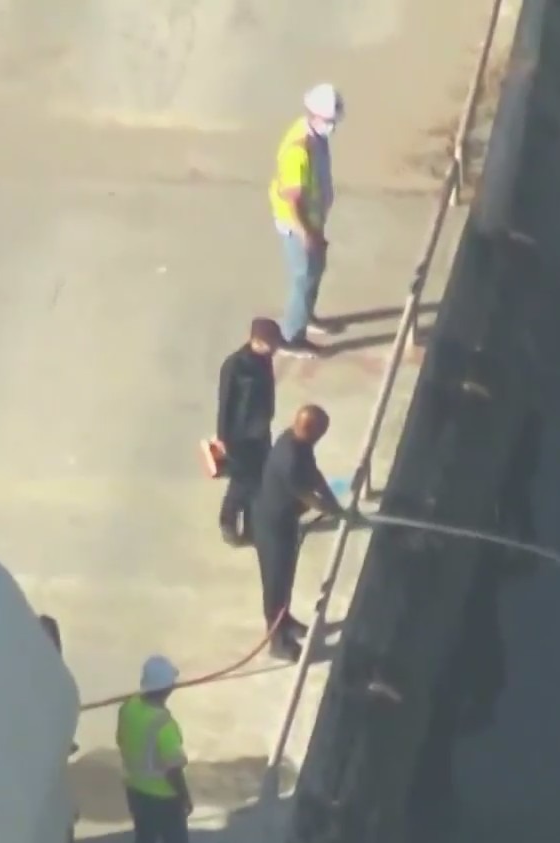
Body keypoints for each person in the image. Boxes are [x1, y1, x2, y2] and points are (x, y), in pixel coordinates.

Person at [252, 404, 351, 661]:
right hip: (272, 526)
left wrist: (336, 504)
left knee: (286, 577)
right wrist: (332, 510)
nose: (323, 436)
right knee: (275, 582)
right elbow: (307, 495)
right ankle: (277, 640)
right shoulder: (289, 459)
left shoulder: (297, 442)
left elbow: (315, 476)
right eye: (321, 431)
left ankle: (286, 621)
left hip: (286, 522)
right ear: (309, 429)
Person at [269, 83, 344, 356]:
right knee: (304, 276)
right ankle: (291, 337)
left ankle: (305, 316)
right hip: (298, 226)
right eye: (329, 121)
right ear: (314, 115)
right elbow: (293, 201)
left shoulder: (315, 136)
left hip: (313, 220)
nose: (332, 126)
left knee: (314, 271)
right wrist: (307, 234)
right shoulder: (299, 149)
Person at [117, 654, 193, 843]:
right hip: (164, 800)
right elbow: (173, 769)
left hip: (135, 792)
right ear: (165, 688)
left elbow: (121, 739)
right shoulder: (164, 726)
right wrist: (185, 797)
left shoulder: (128, 708)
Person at [215, 317, 283, 546]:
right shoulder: (235, 365)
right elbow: (225, 403)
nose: (275, 349)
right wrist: (223, 437)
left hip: (260, 431)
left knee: (260, 480)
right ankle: (228, 522)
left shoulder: (264, 360)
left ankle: (253, 527)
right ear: (256, 341)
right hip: (239, 436)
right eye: (271, 344)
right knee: (242, 482)